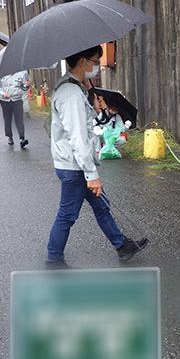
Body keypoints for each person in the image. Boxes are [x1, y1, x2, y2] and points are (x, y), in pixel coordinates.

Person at [46, 45, 148, 269]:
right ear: (82, 61)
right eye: (94, 61)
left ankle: (122, 246)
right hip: (75, 166)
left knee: (101, 205)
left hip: (78, 163)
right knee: (67, 214)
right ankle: (53, 260)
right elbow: (78, 138)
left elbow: (85, 125)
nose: (96, 66)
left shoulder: (75, 88)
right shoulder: (70, 93)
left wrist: (97, 110)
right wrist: (91, 175)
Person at [0, 53, 30, 148]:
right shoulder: (0, 73)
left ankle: (22, 138)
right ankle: (9, 136)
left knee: (19, 119)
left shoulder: (22, 73)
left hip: (17, 99)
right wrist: (2, 93)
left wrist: (26, 86)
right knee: (7, 119)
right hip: (5, 100)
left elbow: (25, 87)